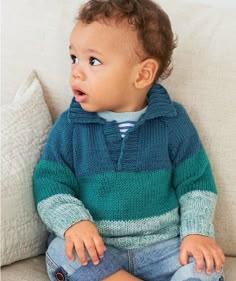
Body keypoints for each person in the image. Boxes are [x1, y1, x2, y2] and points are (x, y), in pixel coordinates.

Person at [33, 0, 225, 280]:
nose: (76, 71)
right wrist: (75, 223)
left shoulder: (173, 122)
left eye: (93, 61)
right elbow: (49, 182)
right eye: (74, 58)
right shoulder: (71, 125)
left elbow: (196, 184)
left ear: (143, 74)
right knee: (63, 251)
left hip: (163, 249)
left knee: (206, 265)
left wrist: (197, 233)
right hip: (98, 248)